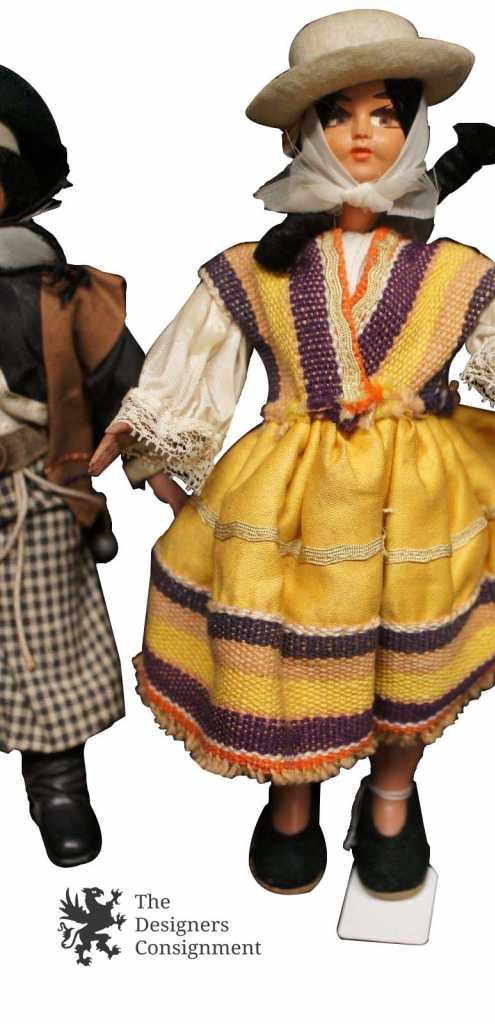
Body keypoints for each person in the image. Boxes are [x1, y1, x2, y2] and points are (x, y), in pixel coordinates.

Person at [90, 10, 495, 899]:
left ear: (412, 129)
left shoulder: (448, 267)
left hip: (421, 496)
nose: (362, 134)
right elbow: (197, 363)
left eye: (384, 114)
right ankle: (292, 788)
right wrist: (150, 439)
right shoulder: (253, 266)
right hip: (292, 497)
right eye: (338, 115)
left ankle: (390, 792)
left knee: (413, 649)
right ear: (304, 134)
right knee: (291, 644)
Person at [0, 65, 150, 866]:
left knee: (46, 641)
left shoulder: (63, 293)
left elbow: (126, 385)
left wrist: (157, 469)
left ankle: (56, 782)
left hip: (33, 493)